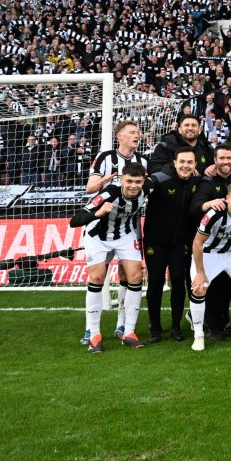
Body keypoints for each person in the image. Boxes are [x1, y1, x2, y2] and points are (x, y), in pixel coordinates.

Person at [69, 163, 150, 353]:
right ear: (121, 179)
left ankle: (128, 331)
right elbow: (75, 220)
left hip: (124, 234)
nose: (133, 186)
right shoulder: (109, 193)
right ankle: (94, 334)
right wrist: (98, 212)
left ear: (144, 181)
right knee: (97, 277)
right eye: (129, 181)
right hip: (98, 236)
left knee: (136, 277)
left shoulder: (149, 188)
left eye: (138, 182)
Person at [82, 119, 148, 342]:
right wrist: (105, 181)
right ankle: (91, 330)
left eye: (138, 132)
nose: (137, 135)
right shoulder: (105, 158)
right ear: (119, 136)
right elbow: (89, 188)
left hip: (128, 225)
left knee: (129, 275)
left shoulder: (143, 161)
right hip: (101, 224)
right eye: (132, 132)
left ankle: (123, 326)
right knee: (98, 276)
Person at [187, 179, 231, 351]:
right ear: (227, 198)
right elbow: (197, 243)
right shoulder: (214, 214)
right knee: (199, 287)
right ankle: (198, 335)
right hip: (208, 253)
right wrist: (200, 272)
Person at [142, 146, 200, 342]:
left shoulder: (197, 182)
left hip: (180, 243)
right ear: (174, 163)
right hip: (155, 241)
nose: (185, 166)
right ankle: (155, 327)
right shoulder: (162, 178)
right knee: (156, 281)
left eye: (189, 162)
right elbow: (147, 184)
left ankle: (176, 326)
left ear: (195, 165)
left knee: (178, 280)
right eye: (182, 162)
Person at [189, 142, 231, 339]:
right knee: (209, 285)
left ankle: (222, 320)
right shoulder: (208, 182)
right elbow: (194, 208)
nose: (225, 162)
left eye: (229, 158)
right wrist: (208, 203)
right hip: (207, 243)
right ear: (215, 160)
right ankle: (212, 325)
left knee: (227, 284)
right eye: (221, 158)